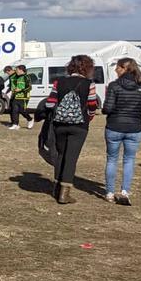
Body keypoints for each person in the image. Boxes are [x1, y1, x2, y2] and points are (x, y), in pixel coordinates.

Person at [43, 55, 100, 204]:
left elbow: (50, 103)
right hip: (79, 126)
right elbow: (92, 105)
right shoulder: (89, 84)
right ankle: (64, 193)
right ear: (87, 68)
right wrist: (89, 117)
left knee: (60, 155)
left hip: (60, 124)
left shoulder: (59, 82)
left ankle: (56, 187)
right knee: (71, 158)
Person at [103, 57, 141, 205]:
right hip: (135, 127)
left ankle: (110, 192)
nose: (115, 70)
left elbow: (107, 108)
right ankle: (125, 191)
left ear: (124, 68)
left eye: (117, 67)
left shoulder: (114, 86)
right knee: (129, 160)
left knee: (112, 159)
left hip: (115, 126)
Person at [8, 64, 34, 130]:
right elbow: (13, 83)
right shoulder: (16, 76)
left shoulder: (26, 77)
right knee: (14, 110)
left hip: (24, 97)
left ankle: (30, 119)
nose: (15, 71)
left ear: (21, 70)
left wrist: (21, 89)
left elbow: (29, 87)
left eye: (17, 70)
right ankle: (15, 124)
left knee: (22, 110)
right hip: (16, 96)